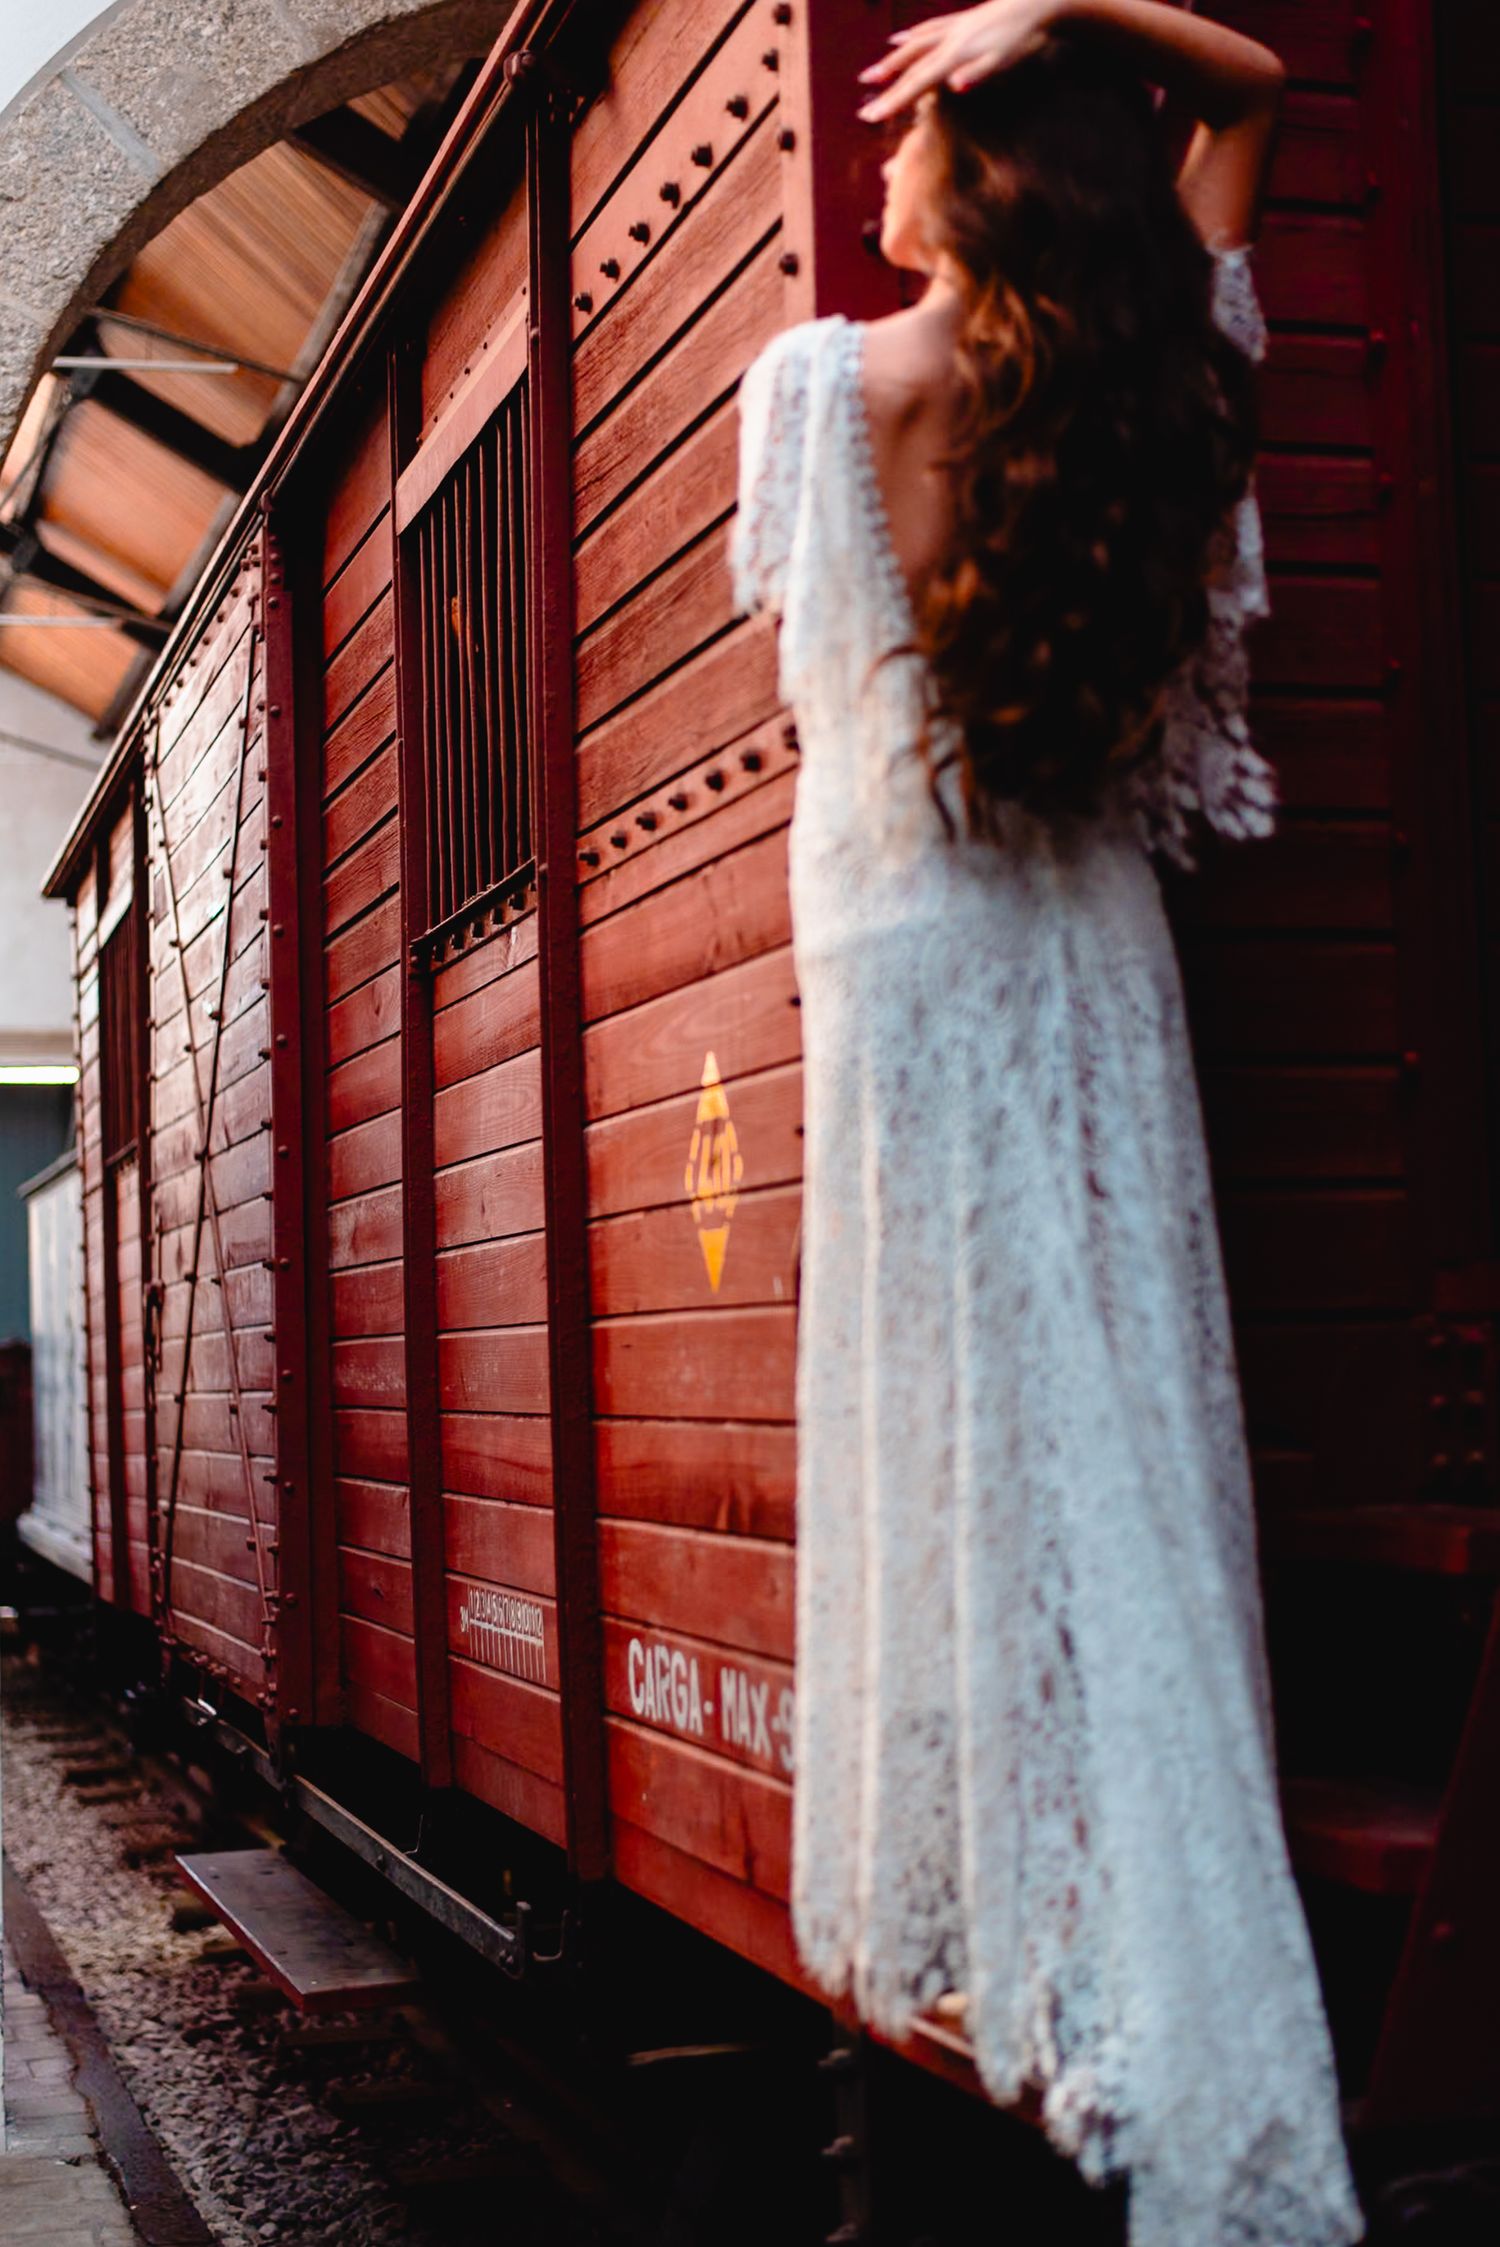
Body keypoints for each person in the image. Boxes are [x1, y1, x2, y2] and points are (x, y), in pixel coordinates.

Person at [729, 5, 1367, 2244]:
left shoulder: (821, 391)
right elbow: (1261, 88)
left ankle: (993, 1932)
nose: (873, 177)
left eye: (906, 138)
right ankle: (1132, 1939)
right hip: (1088, 959)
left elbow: (816, 695)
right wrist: (1086, 20)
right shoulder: (1162, 370)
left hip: (899, 963)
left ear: (980, 181)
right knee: (1115, 1436)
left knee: (946, 1435)